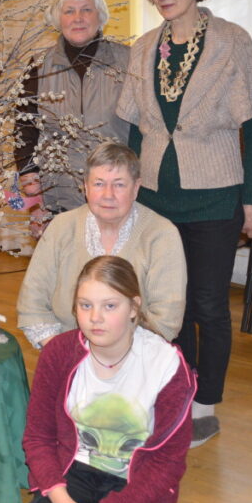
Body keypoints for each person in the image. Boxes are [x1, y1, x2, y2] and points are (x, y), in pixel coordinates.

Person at [116, 0, 252, 448]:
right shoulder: (143, 48)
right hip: (159, 197)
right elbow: (135, 128)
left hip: (214, 194)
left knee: (207, 304)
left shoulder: (231, 41)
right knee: (167, 303)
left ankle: (206, 405)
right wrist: (131, 192)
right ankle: (177, 392)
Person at [16, 256, 195, 503]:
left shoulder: (167, 366)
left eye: (110, 306)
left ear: (134, 307)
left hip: (137, 482)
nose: (95, 318)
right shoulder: (59, 353)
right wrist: (61, 500)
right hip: (72, 471)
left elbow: (168, 463)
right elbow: (39, 437)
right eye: (85, 305)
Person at [17, 142, 186, 349]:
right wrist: (64, 354)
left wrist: (112, 360)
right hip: (65, 351)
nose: (108, 194)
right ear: (85, 187)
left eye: (119, 184)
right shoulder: (61, 227)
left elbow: (166, 321)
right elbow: (32, 304)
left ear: (136, 188)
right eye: (98, 184)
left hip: (136, 358)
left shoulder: (161, 235)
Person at [15, 0, 131, 232]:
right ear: (58, 19)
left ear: (100, 16)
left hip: (115, 192)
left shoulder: (129, 61)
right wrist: (34, 197)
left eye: (86, 10)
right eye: (69, 11)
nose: (78, 18)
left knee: (112, 268)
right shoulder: (38, 66)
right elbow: (25, 129)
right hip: (58, 194)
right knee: (66, 268)